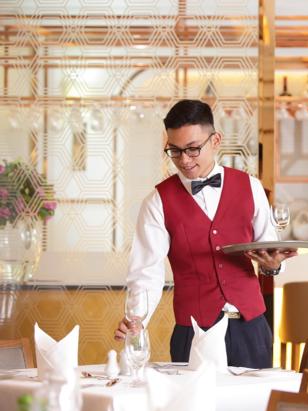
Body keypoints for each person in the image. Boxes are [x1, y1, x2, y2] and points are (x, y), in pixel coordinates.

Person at [114, 99, 297, 368]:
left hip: (251, 329)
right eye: (175, 151)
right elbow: (146, 271)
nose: (184, 160)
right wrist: (137, 318)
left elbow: (269, 248)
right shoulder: (157, 201)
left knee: (256, 396)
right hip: (194, 332)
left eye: (193, 149)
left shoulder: (251, 187)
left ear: (215, 141)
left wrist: (272, 266)